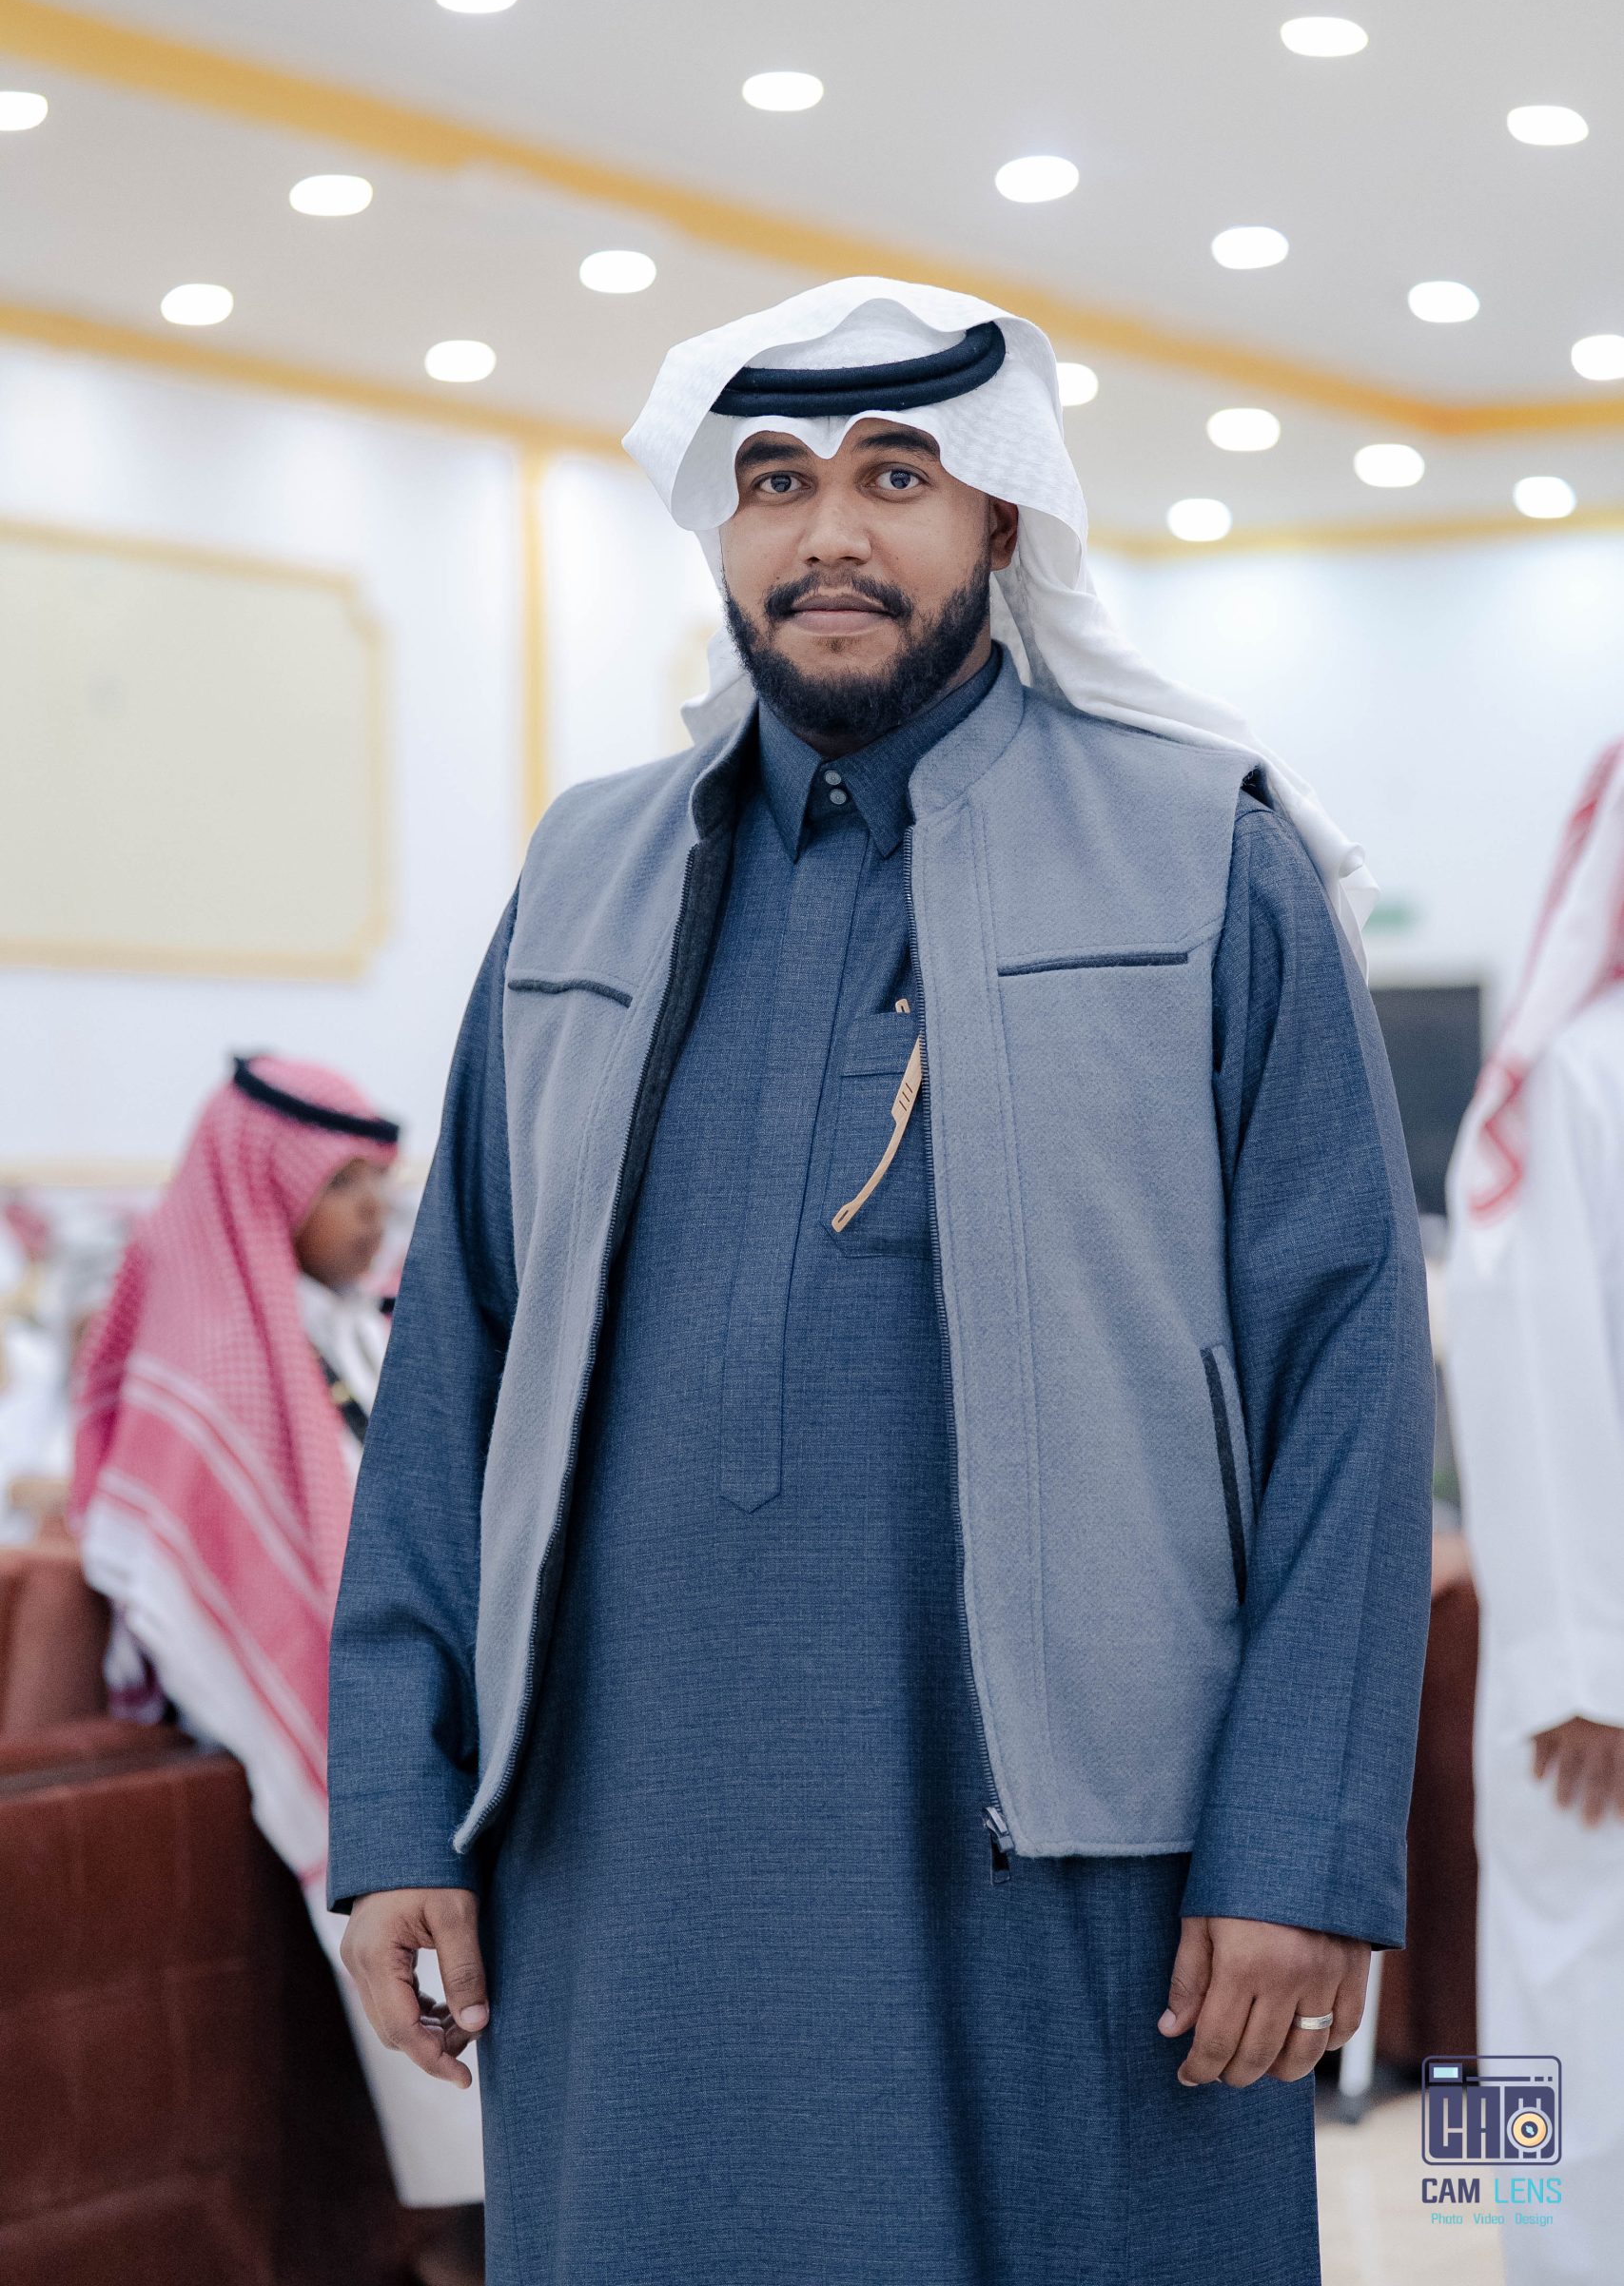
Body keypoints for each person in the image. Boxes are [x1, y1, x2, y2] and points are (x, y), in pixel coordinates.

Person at [329, 280, 1434, 2285]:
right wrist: (401, 1799)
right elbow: (450, 1363)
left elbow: (1346, 1368)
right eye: (773, 481)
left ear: (999, 512)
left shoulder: (1203, 858)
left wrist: (1299, 1839)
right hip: (621, 1872)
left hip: (1083, 1884)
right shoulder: (580, 876)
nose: (825, 532)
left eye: (893, 477)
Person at [70, 1055, 484, 2272]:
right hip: (319, 1747)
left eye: (378, 1181)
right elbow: (195, 1590)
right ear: (268, 1189)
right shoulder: (215, 1360)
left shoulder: (359, 1324)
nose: (372, 1210)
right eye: (343, 1183)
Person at [1447, 743, 1624, 2283]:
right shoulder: (1572, 1078)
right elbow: (1521, 1375)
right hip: (1585, 1693)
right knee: (1534, 2028)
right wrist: (1580, 1668)